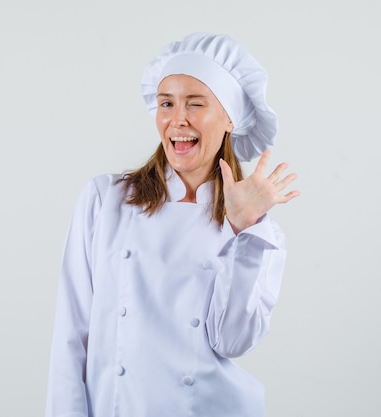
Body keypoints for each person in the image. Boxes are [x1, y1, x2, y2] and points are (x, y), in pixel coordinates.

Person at [45, 32, 300, 417]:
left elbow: (232, 341)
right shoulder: (106, 200)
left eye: (195, 104)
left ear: (229, 119)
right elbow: (70, 336)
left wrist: (242, 229)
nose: (177, 119)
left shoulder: (257, 231)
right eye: (166, 103)